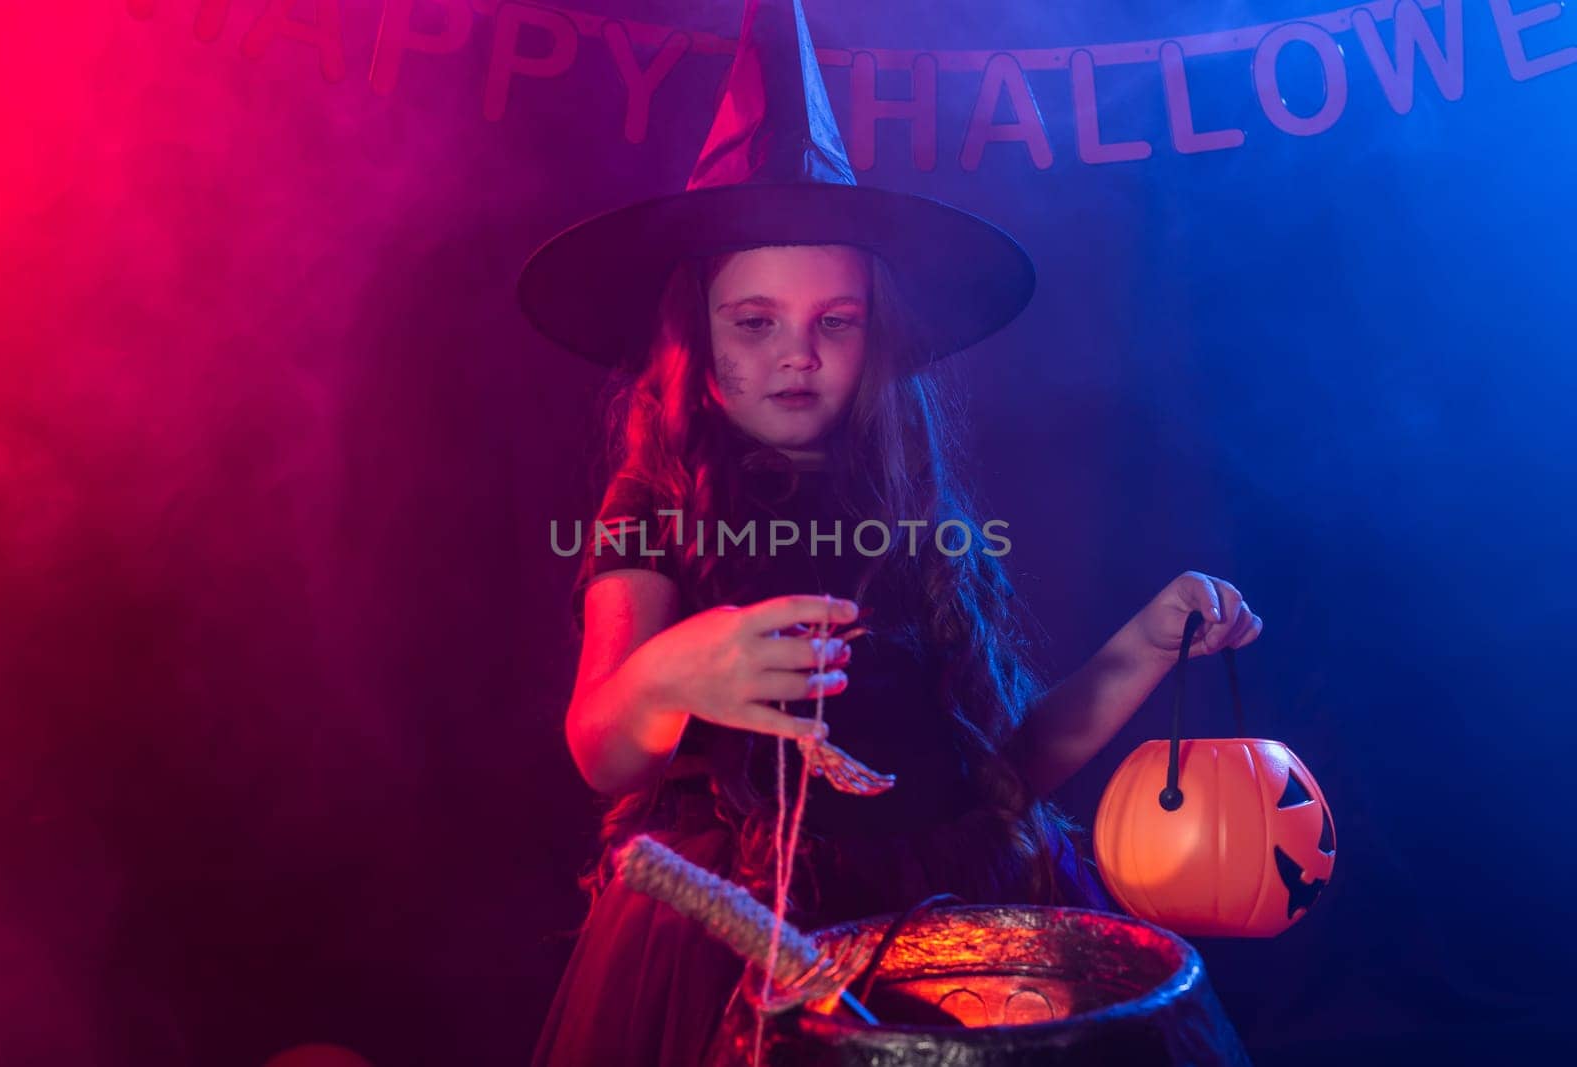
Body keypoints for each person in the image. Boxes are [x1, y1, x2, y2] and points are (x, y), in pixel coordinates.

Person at [519, 4, 1262, 1063]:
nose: (798, 353)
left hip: (945, 916)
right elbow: (599, 741)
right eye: (756, 320)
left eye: (836, 320)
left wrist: (1146, 642)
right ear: (698, 332)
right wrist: (674, 673)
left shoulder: (914, 513)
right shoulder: (656, 501)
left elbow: (1010, 768)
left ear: (875, 335)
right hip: (749, 937)